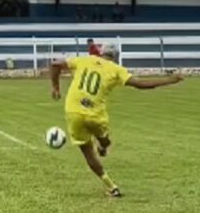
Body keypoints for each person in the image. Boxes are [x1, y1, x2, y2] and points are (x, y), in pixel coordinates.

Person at [50, 44, 183, 197]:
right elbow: (141, 85)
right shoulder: (116, 69)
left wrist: (55, 87)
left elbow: (55, 64)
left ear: (101, 53)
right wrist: (170, 80)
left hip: (73, 111)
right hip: (95, 114)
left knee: (87, 152)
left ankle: (112, 187)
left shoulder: (85, 60)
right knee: (105, 141)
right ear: (116, 56)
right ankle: (103, 145)